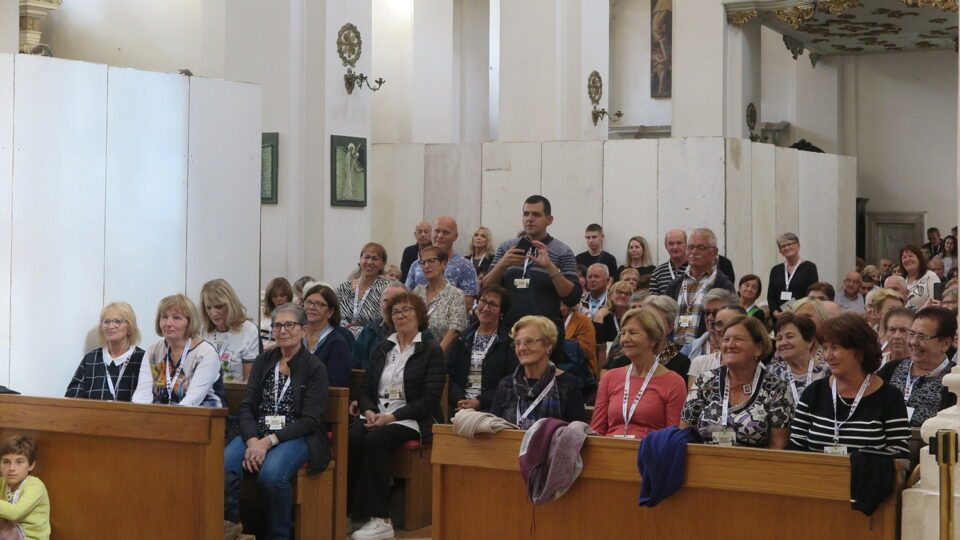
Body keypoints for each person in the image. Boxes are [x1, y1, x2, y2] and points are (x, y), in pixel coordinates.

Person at [223, 303, 330, 539]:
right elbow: (247, 406)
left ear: (303, 330)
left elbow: (310, 420)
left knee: (271, 476)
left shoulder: (315, 368)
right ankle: (231, 527)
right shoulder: (264, 361)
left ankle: (278, 535)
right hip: (256, 432)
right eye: (277, 326)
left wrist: (267, 442)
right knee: (223, 464)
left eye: (289, 325)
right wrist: (252, 440)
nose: (282, 330)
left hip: (295, 435)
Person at [349, 293, 445, 540]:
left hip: (412, 419)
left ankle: (381, 520)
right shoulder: (383, 347)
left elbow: (429, 399)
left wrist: (390, 418)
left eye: (406, 310)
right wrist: (369, 410)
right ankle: (353, 510)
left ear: (419, 315)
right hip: (377, 414)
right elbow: (367, 389)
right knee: (350, 438)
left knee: (375, 440)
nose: (400, 316)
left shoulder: (431, 350)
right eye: (395, 312)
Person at [788, 314, 910, 456]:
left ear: (860, 351)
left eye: (835, 347)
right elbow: (796, 447)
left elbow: (899, 455)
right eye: (825, 348)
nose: (827, 356)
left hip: (867, 478)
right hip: (816, 476)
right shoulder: (814, 392)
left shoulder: (890, 397)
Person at [680, 316, 792, 448]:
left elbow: (777, 446)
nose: (730, 345)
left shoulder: (777, 388)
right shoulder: (705, 381)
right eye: (726, 340)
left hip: (755, 466)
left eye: (738, 339)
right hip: (705, 463)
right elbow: (684, 433)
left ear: (758, 348)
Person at [482, 195, 581, 331]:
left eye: (536, 214)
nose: (529, 219)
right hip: (507, 330)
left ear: (549, 220)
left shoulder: (563, 251)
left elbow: (572, 298)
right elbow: (485, 289)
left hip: (545, 333)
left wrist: (550, 267)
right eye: (526, 214)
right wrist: (502, 265)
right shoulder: (506, 247)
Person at [590, 308, 686, 439]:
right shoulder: (610, 378)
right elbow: (596, 431)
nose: (625, 339)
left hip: (649, 455)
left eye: (633, 333)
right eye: (623, 333)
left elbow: (671, 438)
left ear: (652, 340)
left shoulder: (674, 383)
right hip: (609, 453)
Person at [489, 315, 588, 428]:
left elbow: (578, 432)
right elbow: (492, 427)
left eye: (529, 341)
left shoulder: (567, 384)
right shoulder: (506, 384)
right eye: (517, 343)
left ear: (548, 346)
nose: (521, 348)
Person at [132, 294, 224, 407]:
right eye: (164, 317)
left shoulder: (206, 353)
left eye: (176, 318)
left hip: (200, 417)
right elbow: (142, 394)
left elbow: (193, 400)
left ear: (189, 322)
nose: (168, 323)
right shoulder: (153, 351)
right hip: (158, 417)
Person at [877, 307, 957, 427]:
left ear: (945, 343)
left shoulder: (953, 380)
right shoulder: (890, 369)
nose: (913, 342)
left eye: (922, 337)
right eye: (912, 334)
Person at [448, 285, 519, 415]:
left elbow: (510, 381)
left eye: (493, 305)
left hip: (493, 407)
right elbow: (450, 375)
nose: (486, 308)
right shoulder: (462, 338)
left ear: (501, 312)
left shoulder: (509, 342)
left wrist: (480, 401)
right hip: (459, 405)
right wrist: (460, 399)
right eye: (483, 301)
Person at [666, 228, 736, 347]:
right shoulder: (675, 285)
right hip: (673, 352)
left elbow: (731, 324)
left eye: (701, 247)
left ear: (714, 253)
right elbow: (664, 320)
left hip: (705, 350)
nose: (694, 252)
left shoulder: (724, 286)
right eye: (691, 247)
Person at [65, 301, 145, 401]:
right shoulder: (90, 359)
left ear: (130, 327)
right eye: (106, 322)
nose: (111, 326)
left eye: (117, 321)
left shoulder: (143, 359)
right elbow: (72, 397)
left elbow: (151, 398)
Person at [406, 216, 479, 309]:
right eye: (437, 231)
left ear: (455, 236)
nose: (440, 236)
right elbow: (407, 296)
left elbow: (467, 304)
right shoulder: (416, 265)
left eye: (446, 232)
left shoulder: (465, 267)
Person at [199, 279, 261, 383]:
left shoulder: (248, 330)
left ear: (230, 304)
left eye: (218, 307)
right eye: (208, 308)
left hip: (236, 394)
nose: (213, 313)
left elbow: (249, 381)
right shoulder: (204, 330)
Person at [412, 245, 468, 352]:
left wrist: (437, 355)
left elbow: (454, 330)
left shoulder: (455, 294)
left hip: (442, 357)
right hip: (416, 354)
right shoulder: (417, 292)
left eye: (431, 261)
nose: (426, 266)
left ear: (444, 264)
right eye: (423, 262)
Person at [300, 284, 352, 388]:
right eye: (309, 302)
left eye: (319, 304)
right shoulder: (296, 337)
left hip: (319, 400)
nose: (311, 307)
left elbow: (336, 383)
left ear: (331, 312)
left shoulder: (337, 343)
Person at [769, 313, 829, 403]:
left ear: (809, 341)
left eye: (790, 336)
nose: (783, 342)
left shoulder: (828, 372)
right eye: (779, 338)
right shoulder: (771, 373)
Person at [337, 243, 391, 338]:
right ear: (360, 260)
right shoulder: (344, 288)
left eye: (374, 258)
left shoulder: (387, 289)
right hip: (342, 340)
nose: (369, 262)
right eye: (366, 257)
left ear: (382, 264)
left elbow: (385, 322)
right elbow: (333, 315)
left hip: (371, 342)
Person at [0, 436, 49, 540]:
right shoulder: (2, 482)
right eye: (6, 462)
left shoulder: (36, 486)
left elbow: (15, 513)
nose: (11, 468)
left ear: (31, 465)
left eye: (19, 462)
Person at [686, 304, 746, 387]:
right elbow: (692, 398)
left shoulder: (754, 368)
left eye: (731, 324)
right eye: (719, 324)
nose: (724, 330)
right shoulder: (700, 363)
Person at [767, 233, 819, 318]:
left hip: (801, 315)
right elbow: (771, 296)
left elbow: (812, 293)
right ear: (781, 252)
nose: (787, 247)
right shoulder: (775, 270)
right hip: (779, 317)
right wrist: (775, 313)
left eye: (790, 244)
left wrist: (798, 311)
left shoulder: (810, 267)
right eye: (783, 246)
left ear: (798, 246)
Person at [682, 288, 740, 360]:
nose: (710, 318)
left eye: (716, 312)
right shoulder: (689, 349)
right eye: (707, 313)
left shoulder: (740, 348)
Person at [592, 280, 634, 369]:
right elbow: (597, 344)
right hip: (606, 362)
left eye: (627, 294)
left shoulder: (633, 318)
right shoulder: (604, 317)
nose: (623, 296)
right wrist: (598, 318)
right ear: (610, 295)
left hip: (629, 362)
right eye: (619, 292)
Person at [560, 301, 598, 378]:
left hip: (580, 373)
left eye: (564, 303)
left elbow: (587, 352)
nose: (561, 308)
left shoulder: (583, 321)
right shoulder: (547, 319)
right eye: (558, 303)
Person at [649, 229, 688, 295]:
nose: (675, 247)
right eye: (671, 243)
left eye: (679, 243)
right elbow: (653, 302)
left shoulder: (696, 269)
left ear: (686, 244)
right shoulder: (658, 272)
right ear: (665, 246)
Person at [901, 245, 940, 310]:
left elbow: (937, 302)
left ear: (919, 258)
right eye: (904, 257)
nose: (907, 259)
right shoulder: (902, 280)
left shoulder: (931, 276)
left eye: (910, 256)